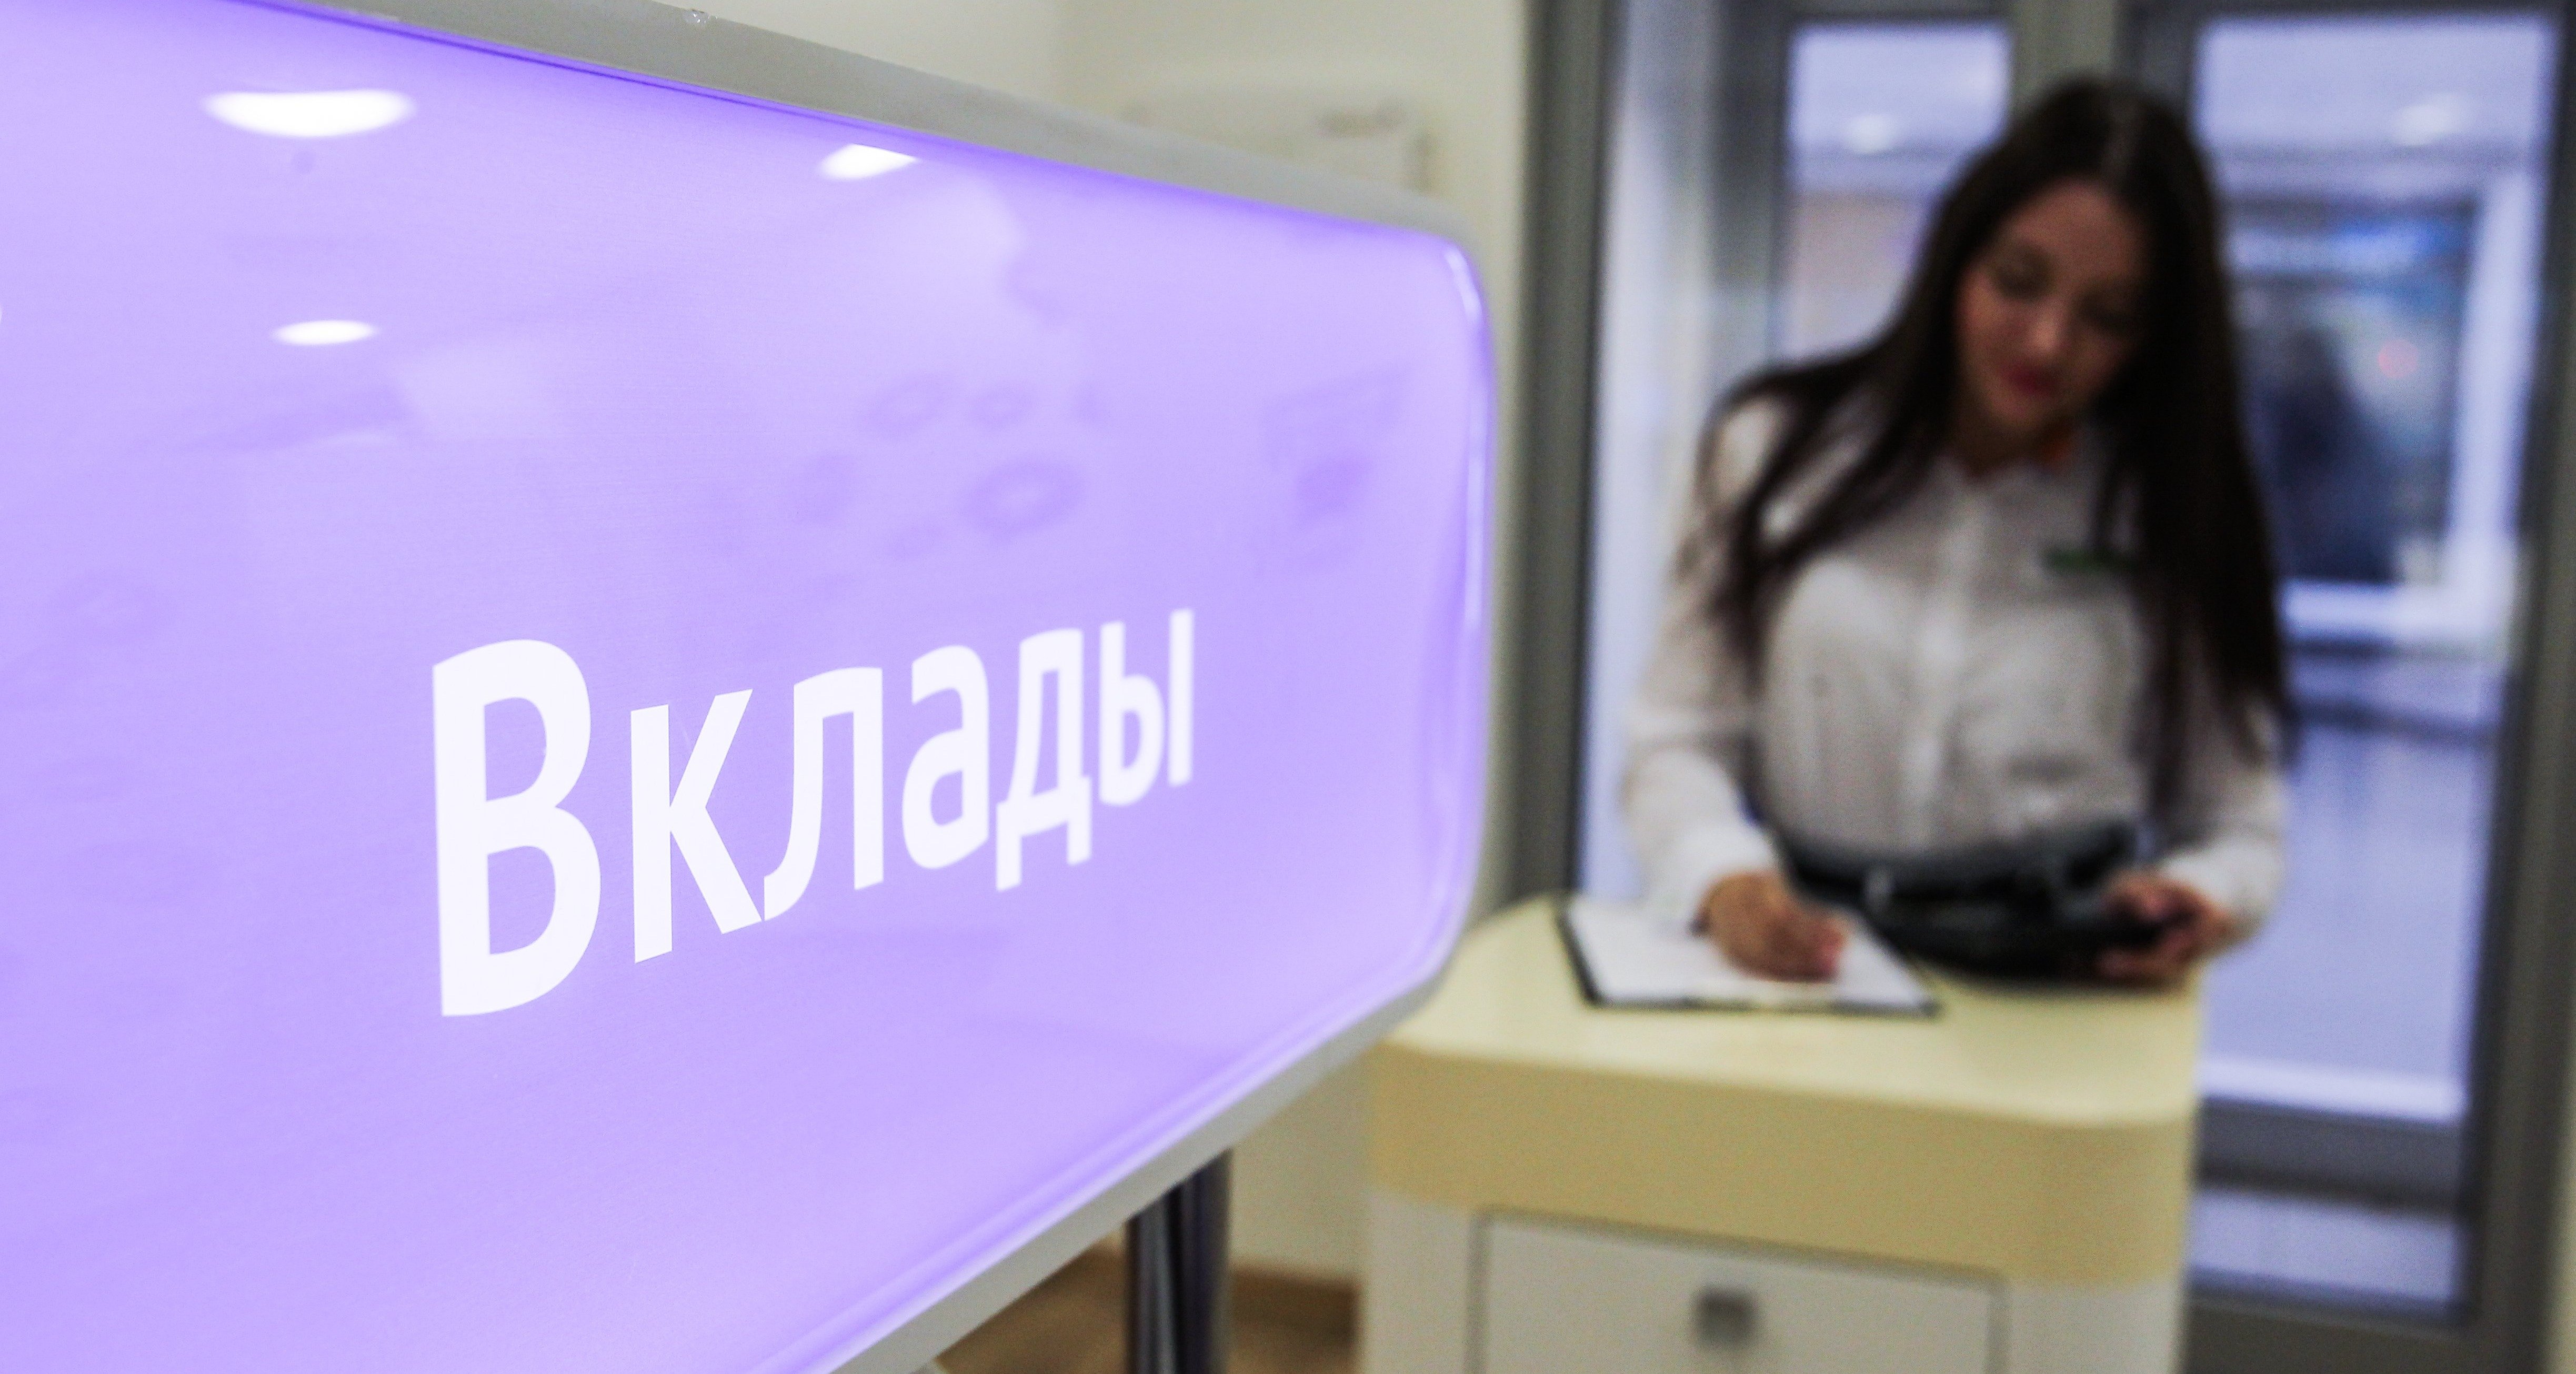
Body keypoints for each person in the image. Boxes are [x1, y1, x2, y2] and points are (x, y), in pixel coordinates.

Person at [1623, 79, 2287, 985]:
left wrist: (2202, 893)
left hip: (2061, 982)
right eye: (2019, 282)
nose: (2047, 342)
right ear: (1953, 260)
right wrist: (1721, 874)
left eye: (2106, 317)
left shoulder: (2167, 504)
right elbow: (1675, 739)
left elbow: (2244, 825)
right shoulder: (1775, 446)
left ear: (2155, 338)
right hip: (1814, 968)